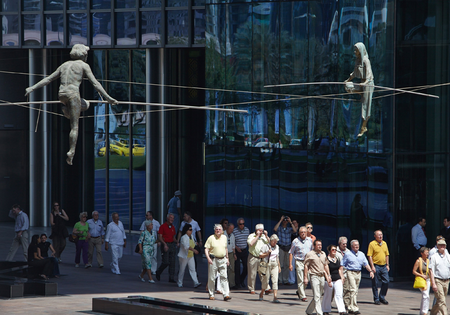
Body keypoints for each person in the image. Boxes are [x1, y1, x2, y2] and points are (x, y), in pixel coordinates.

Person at [24, 44, 118, 165]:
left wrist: (32, 88)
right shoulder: (84, 65)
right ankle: (71, 151)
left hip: (61, 94)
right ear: (84, 55)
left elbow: (48, 79)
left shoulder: (64, 65)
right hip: (73, 95)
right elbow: (96, 84)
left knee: (85, 104)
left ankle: (66, 109)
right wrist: (109, 98)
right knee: (74, 126)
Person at [344, 42, 374, 137]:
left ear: (360, 50)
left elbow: (369, 74)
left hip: (368, 85)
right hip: (362, 83)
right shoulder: (358, 60)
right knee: (348, 86)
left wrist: (365, 83)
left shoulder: (365, 60)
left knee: (365, 106)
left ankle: (363, 127)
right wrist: (347, 80)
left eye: (356, 50)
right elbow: (354, 73)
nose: (354, 51)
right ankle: (361, 94)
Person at [340, 239, 374, 315]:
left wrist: (371, 271)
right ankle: (354, 308)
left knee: (355, 291)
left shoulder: (361, 254)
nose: (357, 246)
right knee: (353, 289)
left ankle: (350, 306)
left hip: (358, 273)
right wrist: (342, 275)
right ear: (352, 246)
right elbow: (342, 264)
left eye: (358, 245)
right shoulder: (347, 254)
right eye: (355, 245)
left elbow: (366, 264)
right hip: (350, 272)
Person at [304, 239, 331, 315]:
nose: (320, 246)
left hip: (322, 276)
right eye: (318, 245)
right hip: (314, 276)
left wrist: (328, 275)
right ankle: (319, 312)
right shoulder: (310, 254)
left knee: (319, 294)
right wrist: (305, 277)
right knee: (316, 295)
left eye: (321, 245)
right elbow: (306, 266)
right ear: (314, 246)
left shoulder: (323, 254)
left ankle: (309, 310)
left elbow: (326, 265)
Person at [205, 224, 231, 301]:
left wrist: (227, 258)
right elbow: (206, 249)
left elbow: (225, 248)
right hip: (213, 259)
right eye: (217, 229)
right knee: (212, 278)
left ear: (222, 230)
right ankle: (211, 294)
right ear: (214, 230)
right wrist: (208, 258)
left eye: (219, 229)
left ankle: (226, 294)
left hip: (223, 259)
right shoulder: (211, 238)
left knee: (224, 277)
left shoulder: (224, 237)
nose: (218, 230)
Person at [289, 226, 313, 301]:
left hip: (308, 262)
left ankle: (300, 291)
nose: (303, 233)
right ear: (299, 233)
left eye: (304, 232)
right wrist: (290, 264)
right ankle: (303, 296)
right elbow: (291, 253)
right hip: (299, 261)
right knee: (300, 279)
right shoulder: (295, 241)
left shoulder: (310, 240)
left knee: (307, 279)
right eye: (301, 232)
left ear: (306, 233)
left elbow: (312, 251)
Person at [321, 244, 346, 315]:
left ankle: (342, 310)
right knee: (328, 295)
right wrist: (328, 279)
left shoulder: (337, 258)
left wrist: (342, 277)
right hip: (329, 279)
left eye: (335, 250)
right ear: (329, 251)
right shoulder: (326, 259)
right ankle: (325, 310)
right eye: (333, 250)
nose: (334, 251)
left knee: (339, 294)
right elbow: (325, 270)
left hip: (337, 278)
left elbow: (340, 269)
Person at [367, 230, 390, 305]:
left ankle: (382, 297)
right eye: (379, 235)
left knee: (386, 281)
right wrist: (372, 266)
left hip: (383, 266)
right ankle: (376, 298)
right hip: (376, 265)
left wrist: (387, 265)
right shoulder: (372, 244)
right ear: (375, 236)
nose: (380, 236)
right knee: (375, 283)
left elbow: (387, 255)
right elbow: (369, 255)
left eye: (381, 234)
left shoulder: (384, 243)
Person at [273, 215, 297, 285]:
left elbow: (295, 231)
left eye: (286, 220)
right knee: (280, 264)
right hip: (281, 247)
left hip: (288, 247)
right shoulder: (280, 228)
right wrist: (280, 220)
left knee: (287, 264)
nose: (285, 221)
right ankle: (279, 280)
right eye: (284, 220)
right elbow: (275, 229)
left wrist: (290, 222)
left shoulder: (289, 229)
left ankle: (285, 280)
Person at [429, 239, 450, 315]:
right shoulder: (434, 256)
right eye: (440, 245)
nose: (442, 247)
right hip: (438, 280)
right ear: (437, 246)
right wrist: (433, 283)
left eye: (443, 245)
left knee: (440, 300)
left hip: (446, 281)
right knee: (442, 301)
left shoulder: (448, 256)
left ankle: (433, 313)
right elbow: (431, 270)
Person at [247, 223, 270, 294]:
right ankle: (252, 288)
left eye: (262, 231)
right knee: (252, 274)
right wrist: (257, 236)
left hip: (262, 257)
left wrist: (266, 236)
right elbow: (251, 243)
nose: (261, 232)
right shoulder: (251, 236)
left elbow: (269, 243)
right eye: (259, 230)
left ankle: (266, 288)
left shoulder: (263, 236)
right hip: (253, 257)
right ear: (256, 230)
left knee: (263, 273)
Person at [259, 234, 281, 303]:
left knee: (275, 281)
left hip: (275, 264)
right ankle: (262, 293)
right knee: (266, 280)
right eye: (274, 241)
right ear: (271, 241)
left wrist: (279, 266)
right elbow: (260, 255)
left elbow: (277, 257)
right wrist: (267, 253)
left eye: (276, 241)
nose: (275, 243)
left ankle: (275, 297)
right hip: (267, 264)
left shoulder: (277, 247)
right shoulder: (265, 246)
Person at [177, 223, 201, 288]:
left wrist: (196, 244)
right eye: (190, 230)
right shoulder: (183, 237)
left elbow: (192, 243)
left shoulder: (192, 237)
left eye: (191, 229)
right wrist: (194, 250)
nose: (191, 231)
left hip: (190, 256)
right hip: (184, 256)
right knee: (182, 270)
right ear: (186, 230)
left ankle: (196, 282)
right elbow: (186, 247)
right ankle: (179, 282)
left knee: (193, 269)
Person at [156, 213, 177, 282]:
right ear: (167, 218)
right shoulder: (163, 226)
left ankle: (171, 278)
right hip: (165, 244)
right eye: (171, 218)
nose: (172, 219)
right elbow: (160, 237)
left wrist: (177, 242)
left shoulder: (173, 227)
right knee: (166, 262)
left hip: (172, 244)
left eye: (173, 218)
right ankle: (158, 272)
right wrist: (164, 244)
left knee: (172, 262)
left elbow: (173, 237)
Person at [412, 247, 431, 315]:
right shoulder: (418, 261)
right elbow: (414, 271)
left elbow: (430, 271)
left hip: (428, 280)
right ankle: (424, 312)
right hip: (421, 280)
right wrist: (421, 275)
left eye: (428, 252)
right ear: (421, 253)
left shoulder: (428, 261)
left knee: (425, 295)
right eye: (426, 252)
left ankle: (422, 312)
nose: (427, 254)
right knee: (426, 295)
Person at [233, 217, 250, 288]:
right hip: (237, 251)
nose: (242, 225)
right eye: (240, 224)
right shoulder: (234, 231)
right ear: (238, 224)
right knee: (237, 268)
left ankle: (241, 280)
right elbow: (232, 241)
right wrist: (236, 247)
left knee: (246, 267)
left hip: (244, 250)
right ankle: (237, 283)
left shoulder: (247, 230)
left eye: (243, 224)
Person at [336, 236, 350, 309]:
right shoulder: (335, 251)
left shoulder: (348, 251)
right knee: (339, 291)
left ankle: (346, 304)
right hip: (338, 273)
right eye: (343, 244)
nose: (345, 245)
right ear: (339, 243)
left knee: (347, 289)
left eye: (346, 244)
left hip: (346, 272)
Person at [225, 223, 236, 289]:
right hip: (224, 253)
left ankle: (231, 284)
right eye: (230, 229)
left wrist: (234, 254)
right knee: (224, 269)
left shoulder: (232, 235)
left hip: (231, 253)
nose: (231, 230)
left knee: (232, 269)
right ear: (227, 228)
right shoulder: (223, 235)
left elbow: (233, 246)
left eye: (232, 229)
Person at [288, 219, 299, 285]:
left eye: (295, 223)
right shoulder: (290, 230)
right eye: (292, 223)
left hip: (299, 251)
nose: (294, 224)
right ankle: (292, 280)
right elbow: (294, 231)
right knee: (292, 265)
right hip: (293, 250)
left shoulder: (301, 230)